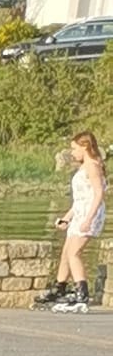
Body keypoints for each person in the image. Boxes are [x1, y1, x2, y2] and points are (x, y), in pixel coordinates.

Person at [50, 131, 105, 308]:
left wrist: (89, 219)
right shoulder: (83, 167)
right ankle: (60, 288)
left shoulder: (93, 166)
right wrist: (66, 219)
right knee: (67, 251)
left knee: (74, 253)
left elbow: (98, 194)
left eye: (74, 148)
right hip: (80, 212)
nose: (72, 153)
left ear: (85, 146)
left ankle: (82, 292)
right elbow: (80, 198)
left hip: (90, 214)